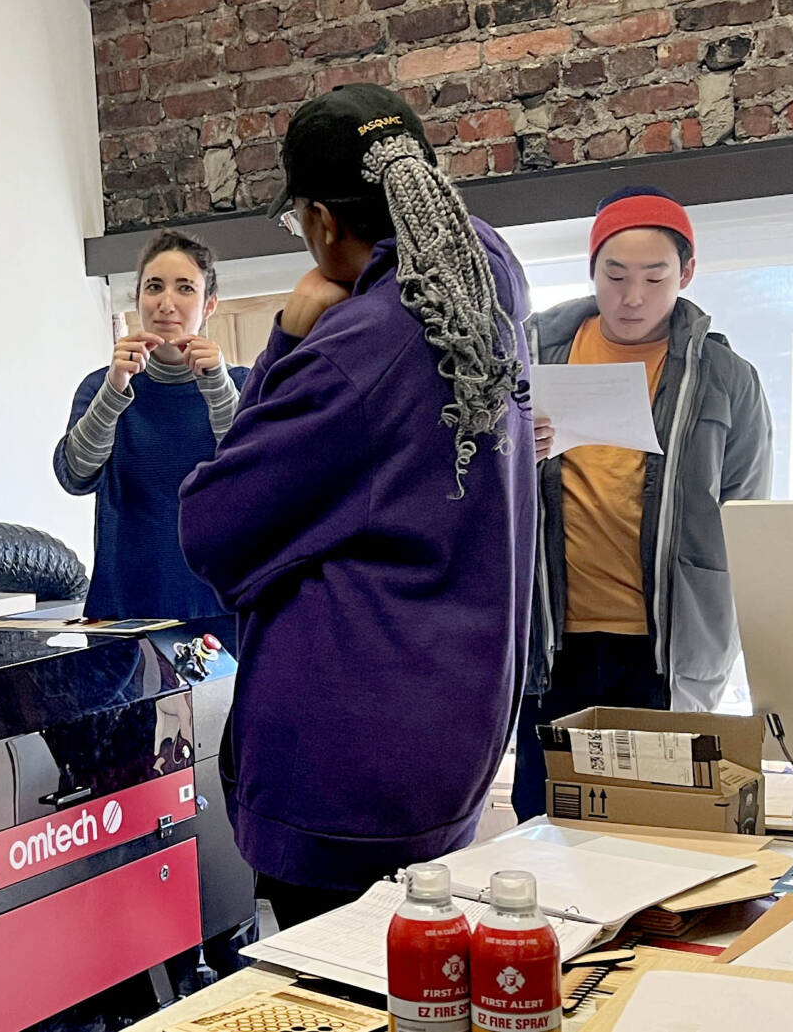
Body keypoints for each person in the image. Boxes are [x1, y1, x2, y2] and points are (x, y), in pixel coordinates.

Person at [179, 84, 535, 928]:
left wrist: (288, 337)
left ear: (322, 222)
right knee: (425, 976)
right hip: (455, 733)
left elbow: (214, 521)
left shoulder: (354, 352)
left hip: (347, 771)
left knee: (337, 985)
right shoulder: (485, 276)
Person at [510, 186, 775, 820]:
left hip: (666, 649)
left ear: (686, 273)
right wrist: (515, 452)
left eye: (655, 278)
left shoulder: (726, 376)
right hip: (548, 643)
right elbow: (468, 478)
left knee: (657, 823)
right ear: (591, 269)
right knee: (544, 817)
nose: (632, 297)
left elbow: (748, 517)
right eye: (615, 275)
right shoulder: (528, 352)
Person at [55, 230, 248, 620]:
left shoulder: (244, 385)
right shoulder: (100, 386)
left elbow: (254, 481)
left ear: (210, 303)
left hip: (223, 609)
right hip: (124, 612)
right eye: (154, 287)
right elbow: (75, 476)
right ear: (138, 298)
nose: (166, 303)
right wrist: (114, 389)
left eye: (185, 288)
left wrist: (216, 385)